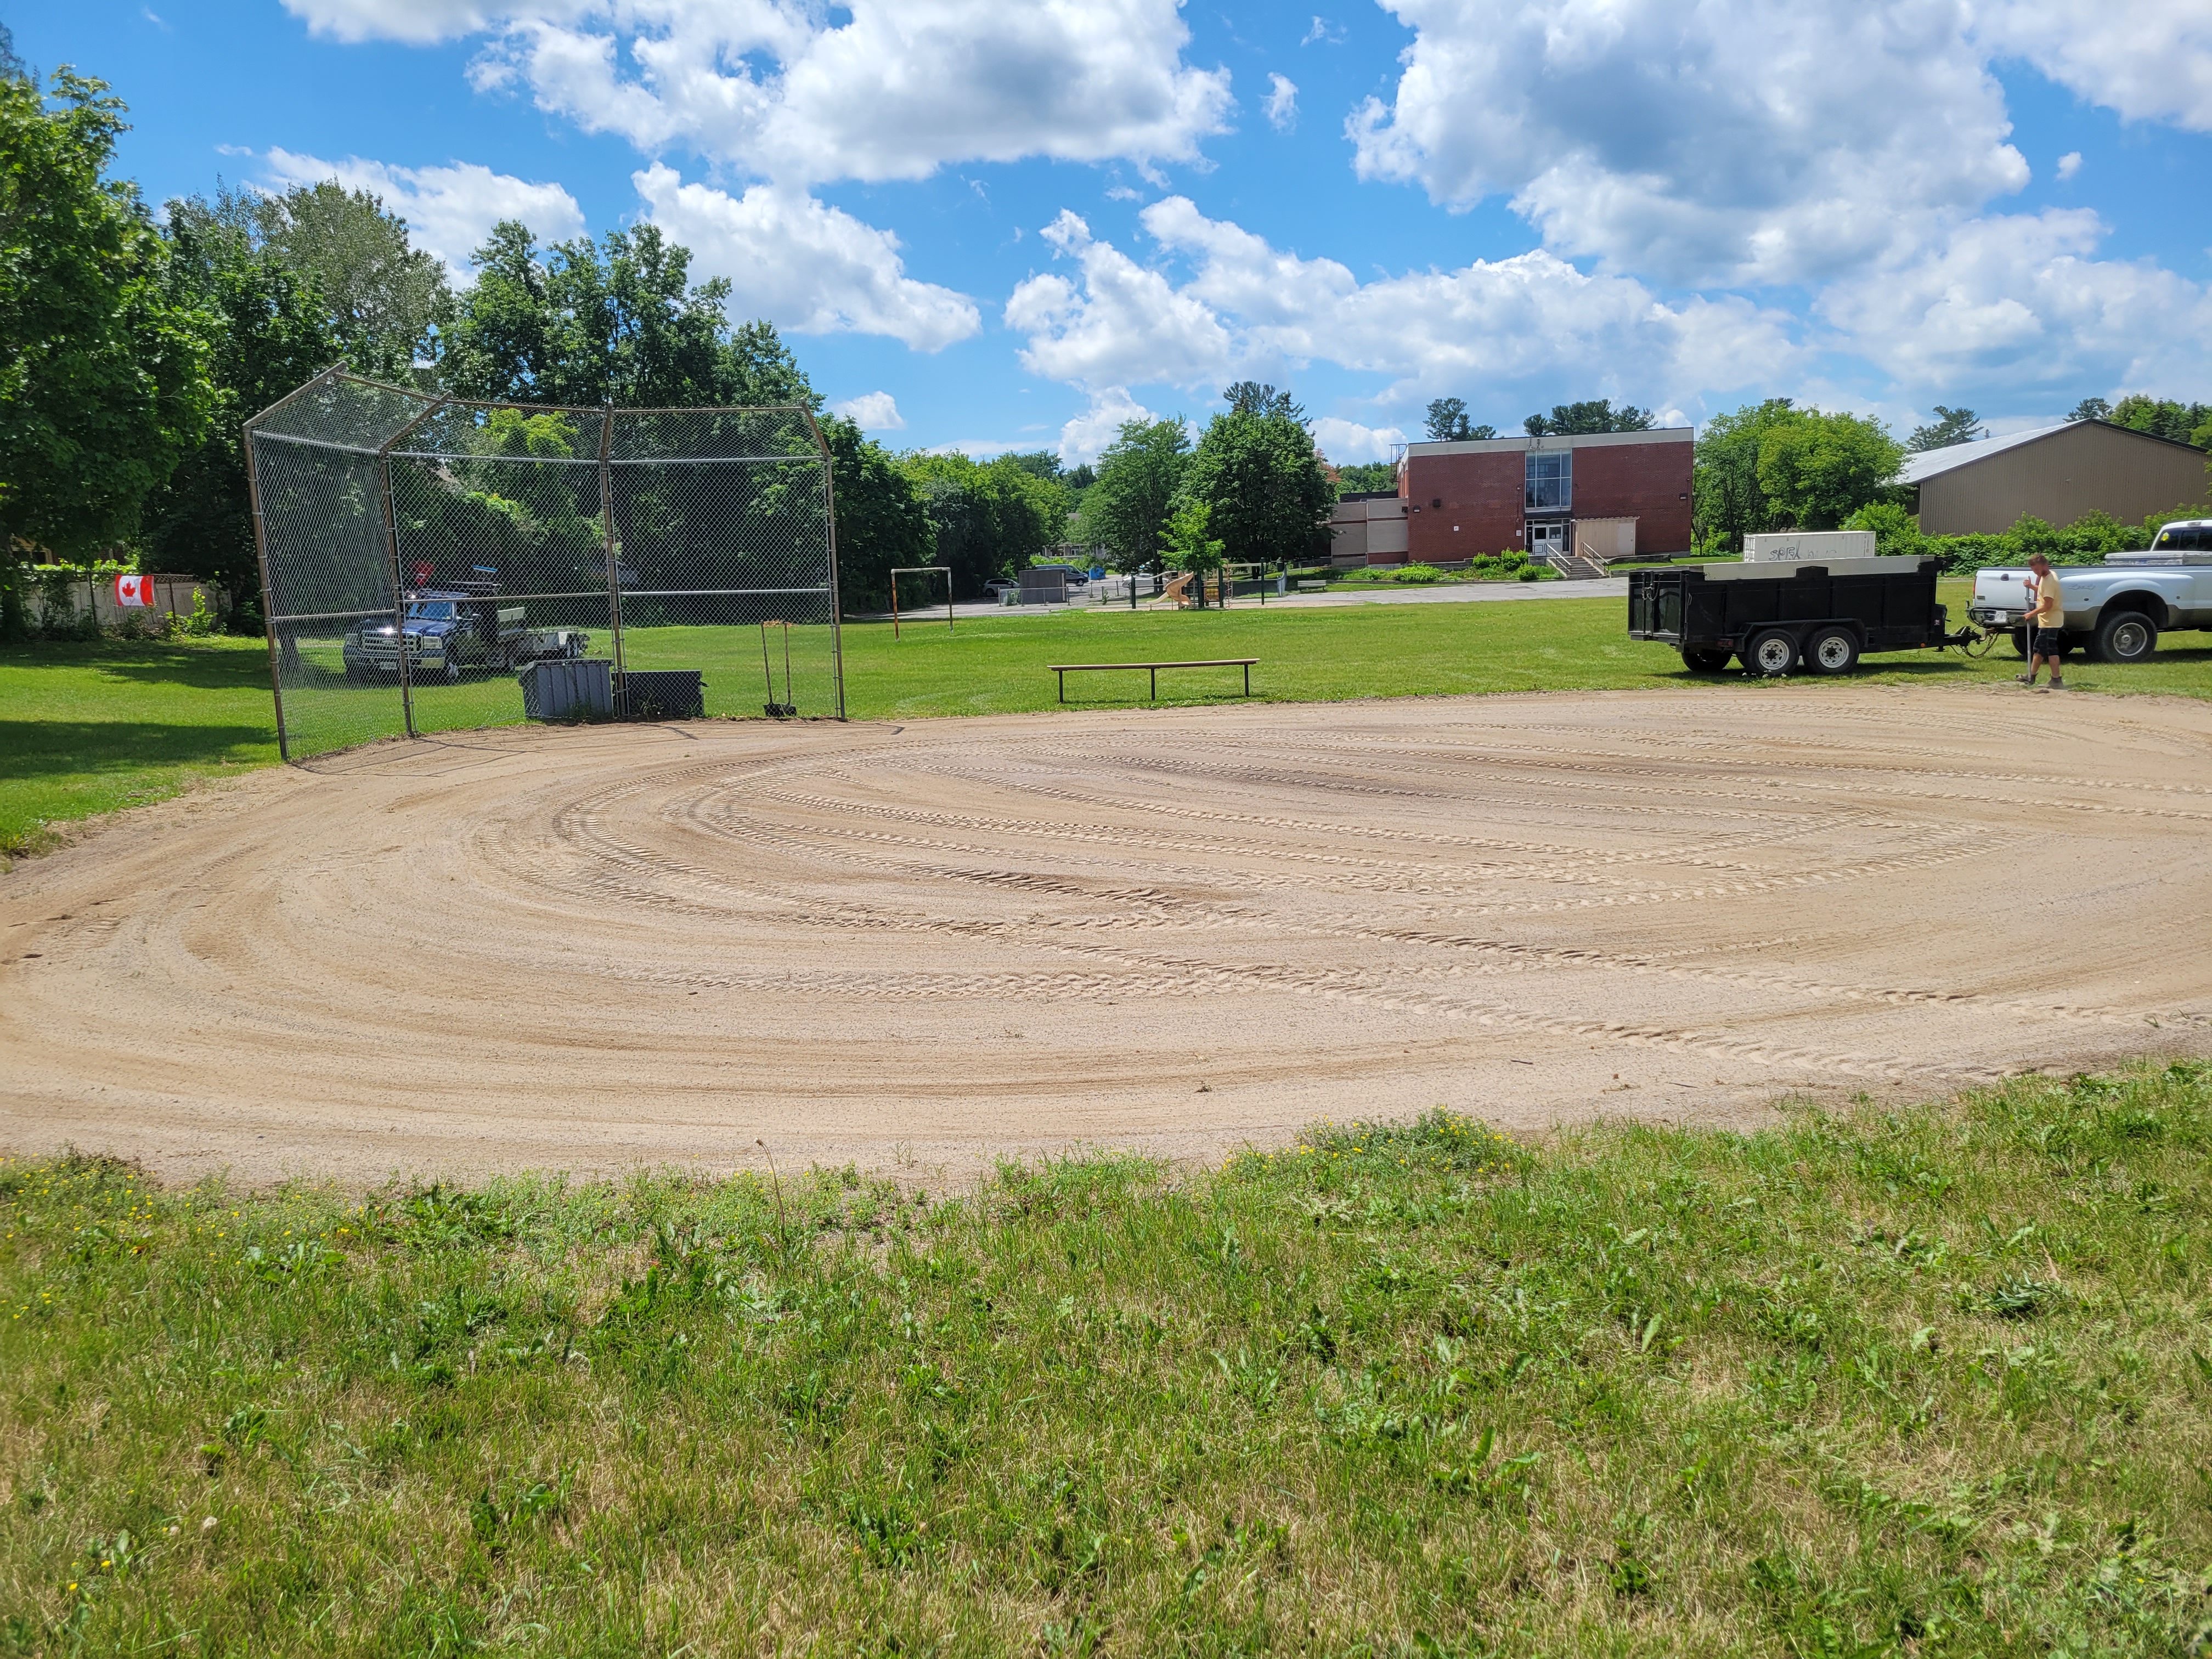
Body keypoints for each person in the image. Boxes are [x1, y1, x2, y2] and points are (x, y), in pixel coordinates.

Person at [2018, 552, 2067, 691]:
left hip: (2051, 622)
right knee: (2039, 650)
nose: (2036, 573)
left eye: (2037, 569)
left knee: (2051, 650)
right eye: (2034, 570)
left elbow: (2048, 605)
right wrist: (2032, 586)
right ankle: (2031, 676)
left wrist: (2031, 614)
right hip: (2047, 621)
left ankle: (2056, 680)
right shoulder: (2047, 577)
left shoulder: (2050, 580)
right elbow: (2043, 591)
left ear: (2045, 565)